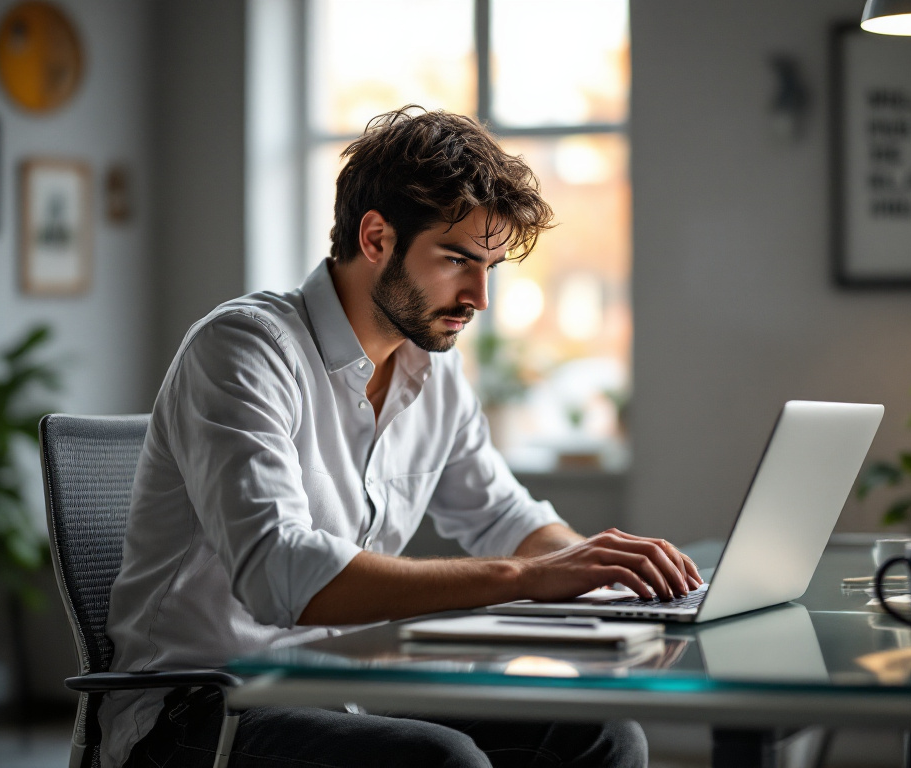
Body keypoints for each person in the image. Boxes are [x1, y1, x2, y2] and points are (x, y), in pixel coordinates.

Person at [101, 106, 702, 768]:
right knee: (439, 762)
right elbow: (280, 575)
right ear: (378, 238)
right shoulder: (244, 348)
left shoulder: (431, 373)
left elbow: (504, 517)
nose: (479, 296)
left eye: (491, 268)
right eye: (455, 260)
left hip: (347, 685)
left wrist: (608, 574)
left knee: (602, 735)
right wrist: (526, 577)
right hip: (201, 708)